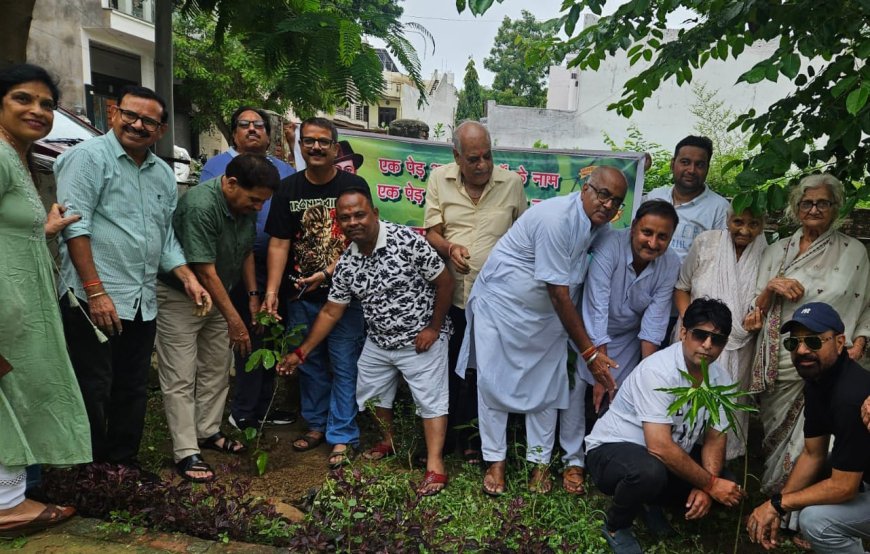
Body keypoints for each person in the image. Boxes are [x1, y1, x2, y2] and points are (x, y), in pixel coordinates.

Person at [56, 85, 211, 468]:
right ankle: (90, 473)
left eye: (149, 121)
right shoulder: (87, 158)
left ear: (160, 130)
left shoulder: (161, 173)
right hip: (94, 299)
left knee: (132, 387)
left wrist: (188, 278)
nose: (138, 125)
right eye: (131, 115)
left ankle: (122, 468)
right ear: (113, 113)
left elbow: (165, 237)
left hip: (142, 301)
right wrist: (96, 291)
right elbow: (75, 228)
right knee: (93, 388)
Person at [457, 166, 628, 496]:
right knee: (492, 384)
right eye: (603, 194)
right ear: (585, 189)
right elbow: (558, 292)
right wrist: (590, 353)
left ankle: (540, 464)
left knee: (548, 388)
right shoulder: (556, 219)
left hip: (546, 320)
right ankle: (496, 461)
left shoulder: (599, 226)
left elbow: (616, 249)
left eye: (616, 201)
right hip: (502, 309)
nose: (608, 205)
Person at [277, 187, 454, 495]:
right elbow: (332, 311)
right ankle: (388, 441)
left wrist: (434, 328)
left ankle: (435, 466)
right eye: (345, 218)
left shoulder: (408, 242)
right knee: (370, 393)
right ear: (339, 223)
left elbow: (445, 281)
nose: (353, 222)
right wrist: (300, 353)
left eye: (359, 214)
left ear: (375, 213)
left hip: (419, 338)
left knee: (431, 401)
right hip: (380, 340)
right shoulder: (347, 263)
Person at [0, 63, 88, 537]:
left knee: (19, 395)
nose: (37, 110)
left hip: (18, 307)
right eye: (22, 98)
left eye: (47, 104)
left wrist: (44, 229)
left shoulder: (16, 156)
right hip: (3, 307)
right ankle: (7, 506)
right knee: (7, 400)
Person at [586, 298, 746, 553]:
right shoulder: (659, 371)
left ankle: (650, 503)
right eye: (700, 335)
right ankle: (616, 525)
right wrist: (709, 484)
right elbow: (659, 446)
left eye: (716, 340)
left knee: (728, 481)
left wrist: (710, 484)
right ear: (683, 332)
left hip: (665, 454)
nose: (707, 346)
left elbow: (716, 437)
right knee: (649, 472)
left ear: (724, 345)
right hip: (612, 450)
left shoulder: (720, 379)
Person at [156, 154, 280, 482]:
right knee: (181, 373)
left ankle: (207, 430)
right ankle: (185, 450)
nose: (258, 208)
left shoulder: (244, 207)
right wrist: (235, 321)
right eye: (254, 200)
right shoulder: (201, 206)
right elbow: (204, 271)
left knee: (216, 367)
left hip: (219, 294)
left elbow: (245, 255)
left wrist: (253, 298)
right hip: (182, 296)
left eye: (262, 202)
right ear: (231, 183)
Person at [747, 174, 870, 493]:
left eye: (822, 203)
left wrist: (860, 339)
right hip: (785, 359)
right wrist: (771, 287)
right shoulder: (778, 252)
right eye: (807, 203)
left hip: (831, 361)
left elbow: (865, 303)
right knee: (779, 433)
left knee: (822, 438)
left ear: (835, 207)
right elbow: (754, 310)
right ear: (795, 208)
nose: (814, 209)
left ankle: (804, 507)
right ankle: (779, 500)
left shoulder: (854, 252)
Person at [263, 117, 367, 468]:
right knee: (308, 364)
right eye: (309, 141)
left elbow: (360, 239)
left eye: (324, 142)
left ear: (336, 149)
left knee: (343, 363)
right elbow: (279, 242)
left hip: (346, 296)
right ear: (300, 145)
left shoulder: (354, 185)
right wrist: (272, 291)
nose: (316, 147)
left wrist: (326, 273)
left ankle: (342, 434)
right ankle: (317, 424)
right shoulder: (288, 188)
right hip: (301, 295)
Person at [560, 199, 680, 495]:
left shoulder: (671, 263)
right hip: (587, 330)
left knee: (626, 392)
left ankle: (610, 453)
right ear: (633, 228)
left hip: (628, 336)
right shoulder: (610, 246)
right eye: (647, 232)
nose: (652, 242)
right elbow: (596, 304)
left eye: (662, 237)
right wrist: (599, 364)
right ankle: (573, 460)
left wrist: (647, 376)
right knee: (576, 391)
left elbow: (654, 324)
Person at [423, 120, 527, 463]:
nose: (482, 165)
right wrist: (449, 247)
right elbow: (431, 233)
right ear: (457, 156)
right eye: (473, 159)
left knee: (487, 372)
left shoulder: (512, 184)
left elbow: (523, 240)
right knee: (453, 369)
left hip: (497, 303)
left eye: (487, 156)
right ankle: (451, 436)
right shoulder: (439, 179)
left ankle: (479, 439)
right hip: (453, 299)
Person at [197, 106, 296, 432]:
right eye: (244, 125)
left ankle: (263, 410)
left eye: (259, 126)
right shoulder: (218, 167)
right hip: (236, 269)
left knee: (271, 336)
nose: (252, 130)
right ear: (234, 132)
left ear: (269, 135)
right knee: (249, 336)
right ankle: (242, 411)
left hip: (277, 268)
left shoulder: (284, 169)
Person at [747, 302, 870, 553]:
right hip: (863, 478)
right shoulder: (817, 380)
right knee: (824, 466)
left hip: (858, 482)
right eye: (793, 343)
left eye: (813, 342)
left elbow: (843, 487)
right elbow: (813, 453)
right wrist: (777, 506)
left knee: (815, 522)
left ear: (839, 342)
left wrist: (778, 504)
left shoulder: (850, 396)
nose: (802, 350)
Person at [673, 204, 766, 459]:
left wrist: (757, 319)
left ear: (762, 226)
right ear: (727, 220)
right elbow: (681, 288)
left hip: (737, 343)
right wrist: (690, 323)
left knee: (728, 402)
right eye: (738, 222)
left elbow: (762, 303)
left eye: (753, 224)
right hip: (694, 337)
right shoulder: (706, 243)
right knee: (687, 397)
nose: (744, 230)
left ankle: (721, 459)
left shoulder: (767, 254)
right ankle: (678, 454)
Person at [644, 135, 730, 262]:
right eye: (685, 162)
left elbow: (725, 257)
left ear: (707, 169)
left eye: (699, 165)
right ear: (673, 164)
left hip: (689, 281)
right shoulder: (654, 197)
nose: (691, 170)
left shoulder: (720, 209)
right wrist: (637, 170)